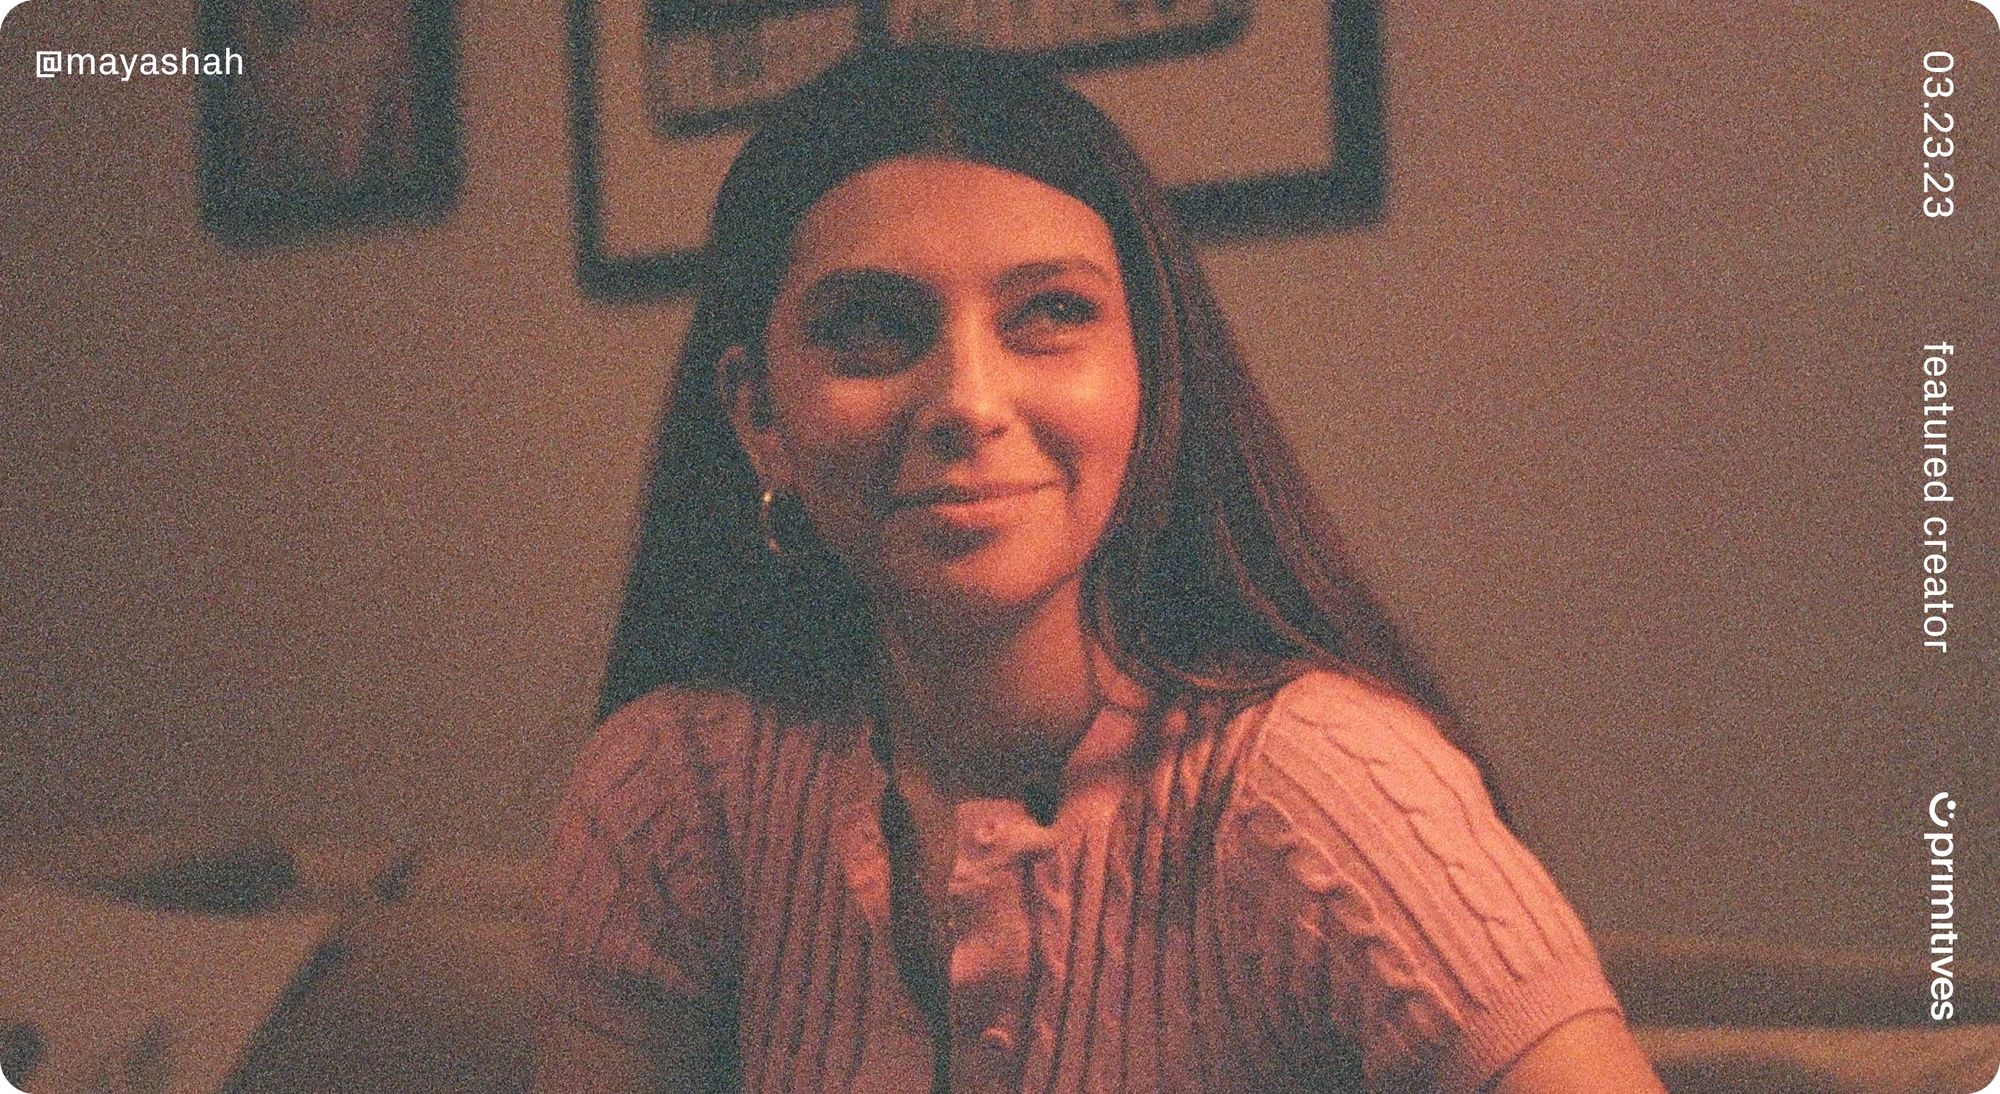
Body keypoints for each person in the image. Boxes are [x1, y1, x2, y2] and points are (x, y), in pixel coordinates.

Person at [533, 44, 1666, 1094]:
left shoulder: (1316, 789)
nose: (969, 402)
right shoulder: (674, 797)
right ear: (757, 416)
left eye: (1050, 314)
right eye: (872, 325)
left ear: (1145, 375)